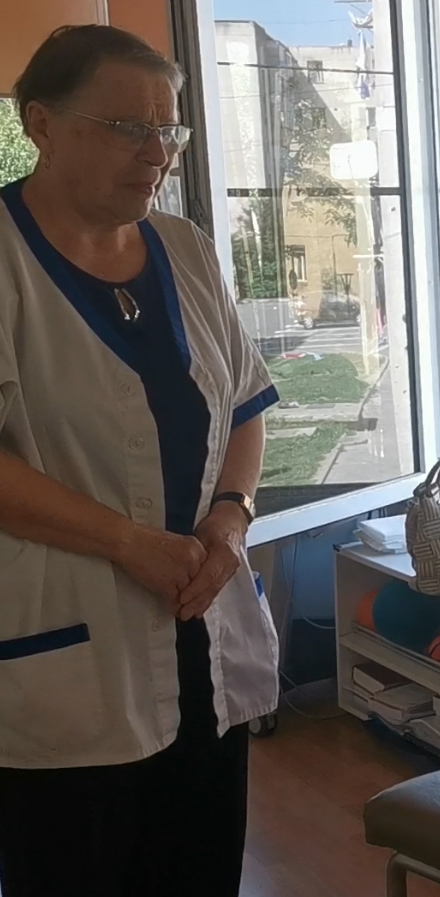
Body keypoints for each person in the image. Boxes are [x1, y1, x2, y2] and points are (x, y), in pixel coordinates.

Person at [0, 26, 280, 897]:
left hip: (204, 640)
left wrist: (232, 518)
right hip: (66, 661)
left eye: (169, 129)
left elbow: (246, 406)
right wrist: (126, 541)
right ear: (40, 123)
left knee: (200, 873)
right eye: (128, 128)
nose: (157, 153)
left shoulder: (184, 247)